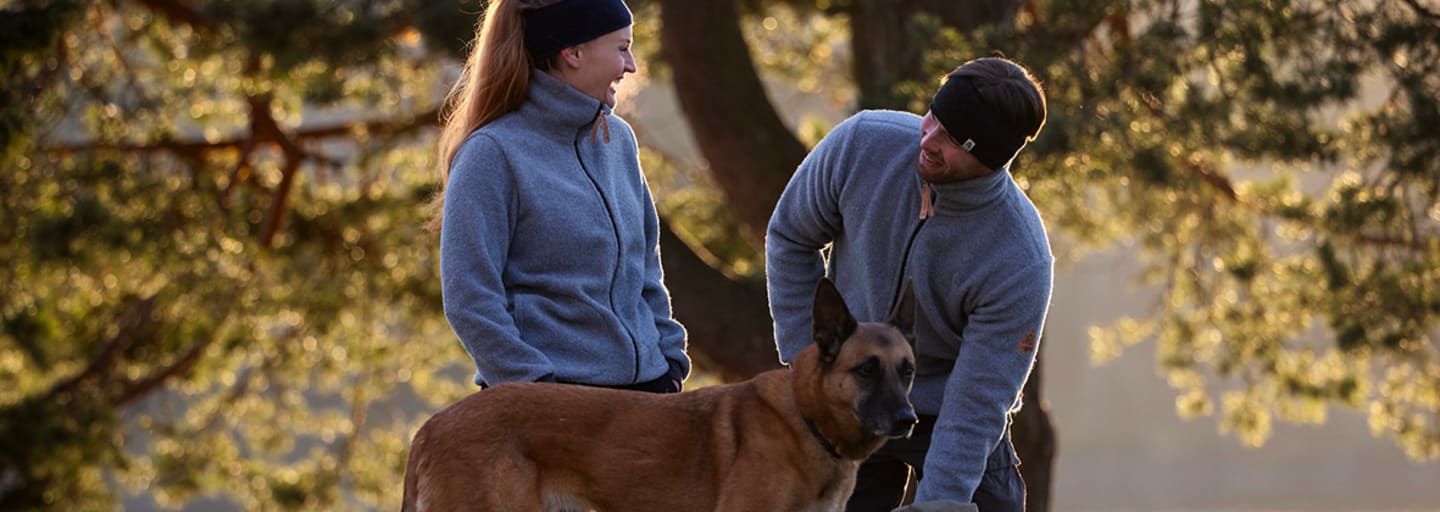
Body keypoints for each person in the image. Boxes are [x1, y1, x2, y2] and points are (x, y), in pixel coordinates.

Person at [766, 56, 1051, 511]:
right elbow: (790, 236)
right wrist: (810, 364)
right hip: (849, 393)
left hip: (945, 408)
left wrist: (941, 501)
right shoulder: (862, 143)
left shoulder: (1018, 258)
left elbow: (978, 400)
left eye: (955, 139)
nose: (929, 139)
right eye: (935, 117)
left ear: (992, 158)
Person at [429, 0, 688, 394]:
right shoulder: (492, 153)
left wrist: (668, 360)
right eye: (621, 48)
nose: (631, 65)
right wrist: (535, 389)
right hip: (552, 407)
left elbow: (646, 269)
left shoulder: (618, 142)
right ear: (573, 52)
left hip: (649, 396)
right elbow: (470, 299)